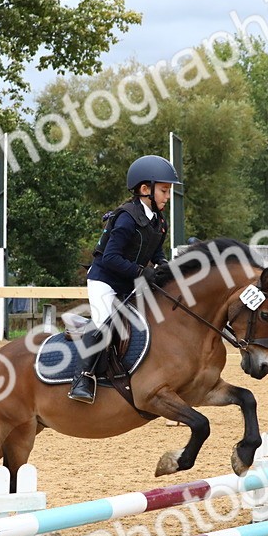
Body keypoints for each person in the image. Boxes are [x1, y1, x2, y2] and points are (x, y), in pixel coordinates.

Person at [67, 154, 183, 404]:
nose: (168, 196)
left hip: (130, 282)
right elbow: (110, 258)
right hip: (105, 280)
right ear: (145, 189)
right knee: (104, 322)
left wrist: (164, 267)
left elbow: (156, 252)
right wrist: (141, 272)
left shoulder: (159, 221)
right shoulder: (126, 218)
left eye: (168, 191)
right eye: (164, 191)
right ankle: (82, 378)